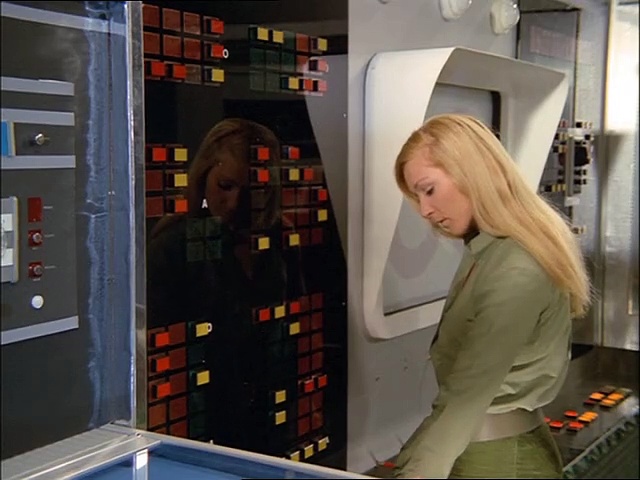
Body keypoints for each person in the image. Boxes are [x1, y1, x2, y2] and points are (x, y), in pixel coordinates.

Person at [391, 114, 591, 479]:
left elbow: (469, 391)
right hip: (485, 452)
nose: (425, 211)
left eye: (429, 190)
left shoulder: (516, 266)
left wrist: (417, 471)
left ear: (470, 173)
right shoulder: (491, 251)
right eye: (417, 197)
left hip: (496, 462)